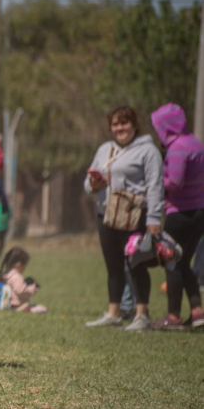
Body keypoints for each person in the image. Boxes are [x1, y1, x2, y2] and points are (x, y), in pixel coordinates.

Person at [84, 106, 164, 332]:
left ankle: (141, 314)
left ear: (135, 124)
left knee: (136, 264)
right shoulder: (105, 149)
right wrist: (94, 184)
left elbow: (155, 186)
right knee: (113, 266)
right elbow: (87, 183)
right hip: (107, 215)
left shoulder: (148, 151)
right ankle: (114, 313)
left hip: (134, 216)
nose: (120, 128)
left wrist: (155, 217)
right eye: (115, 124)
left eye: (124, 123)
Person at [149, 104, 204, 329]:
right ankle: (198, 312)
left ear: (166, 127)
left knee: (170, 262)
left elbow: (176, 183)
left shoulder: (178, 148)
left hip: (179, 214)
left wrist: (155, 182)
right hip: (199, 213)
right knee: (183, 263)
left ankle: (172, 316)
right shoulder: (195, 143)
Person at [0, 247, 47, 313]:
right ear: (18, 265)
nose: (24, 269)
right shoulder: (16, 276)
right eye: (24, 266)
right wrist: (32, 289)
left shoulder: (3, 275)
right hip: (18, 305)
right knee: (43, 308)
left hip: (6, 304)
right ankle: (26, 310)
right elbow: (21, 291)